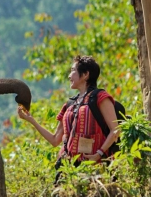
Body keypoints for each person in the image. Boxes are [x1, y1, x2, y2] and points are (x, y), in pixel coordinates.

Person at [17, 55, 119, 183]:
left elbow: (115, 130)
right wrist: (31, 120)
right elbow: (55, 140)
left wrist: (99, 153)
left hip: (97, 170)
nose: (69, 76)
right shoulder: (69, 105)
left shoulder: (100, 97)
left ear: (85, 74)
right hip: (68, 171)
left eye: (73, 71)